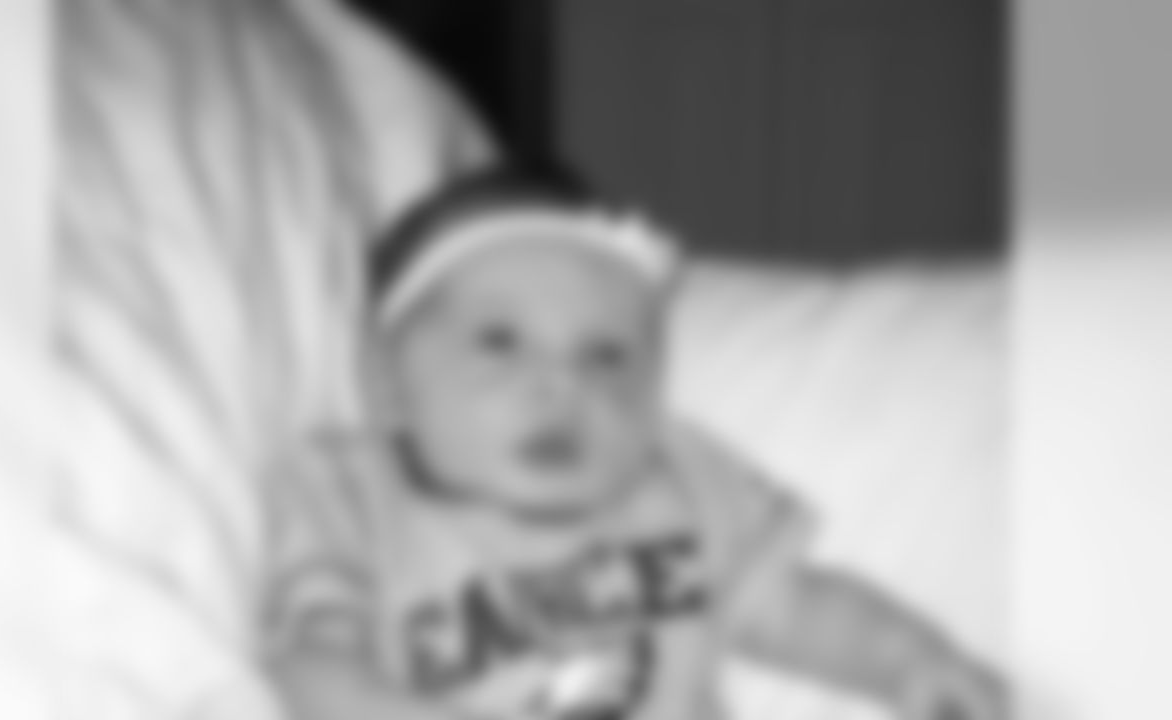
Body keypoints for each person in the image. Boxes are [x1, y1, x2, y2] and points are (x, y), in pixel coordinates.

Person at [266, 166, 1006, 720]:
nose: (561, 385)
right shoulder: (352, 499)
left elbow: (793, 606)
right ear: (387, 384)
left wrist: (911, 663)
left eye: (606, 356)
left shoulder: (682, 485)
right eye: (500, 341)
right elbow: (314, 669)